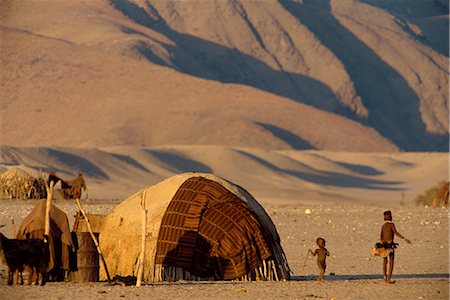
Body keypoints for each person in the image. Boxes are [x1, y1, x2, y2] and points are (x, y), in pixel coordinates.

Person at [378, 210, 411, 284]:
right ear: (390, 217)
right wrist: (404, 239)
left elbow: (381, 237)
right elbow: (396, 233)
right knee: (391, 261)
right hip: (390, 246)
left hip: (384, 246)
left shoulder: (383, 226)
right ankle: (389, 278)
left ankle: (384, 277)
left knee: (385, 261)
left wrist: (381, 245)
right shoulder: (391, 225)